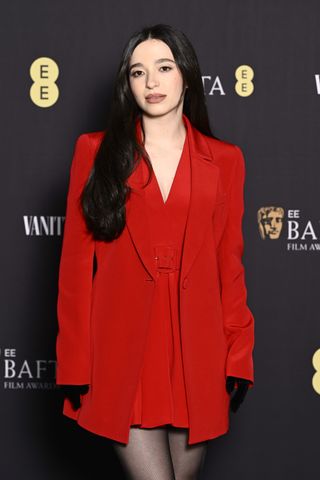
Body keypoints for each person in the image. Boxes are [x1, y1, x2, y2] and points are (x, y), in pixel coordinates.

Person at [55, 23, 255, 480]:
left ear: (186, 74)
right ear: (127, 84)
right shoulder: (94, 152)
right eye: (137, 72)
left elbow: (230, 266)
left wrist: (238, 355)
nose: (151, 83)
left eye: (163, 68)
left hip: (197, 352)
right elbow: (74, 269)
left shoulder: (226, 160)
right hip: (121, 350)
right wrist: (75, 362)